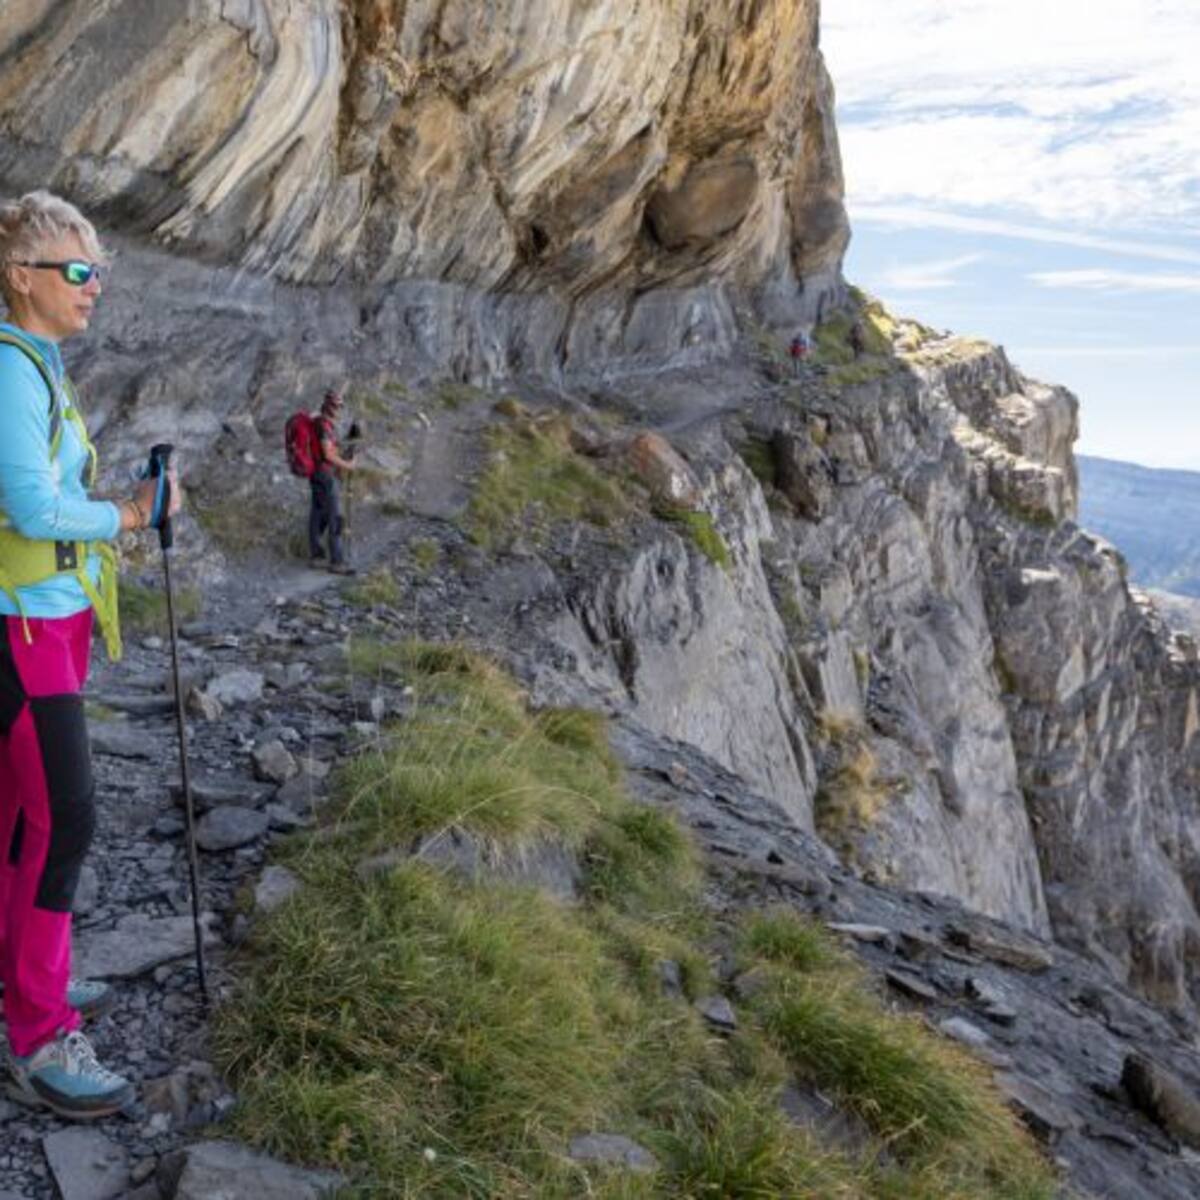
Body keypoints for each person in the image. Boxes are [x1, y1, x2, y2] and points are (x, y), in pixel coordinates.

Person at [0, 190, 180, 1119]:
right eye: (77, 271)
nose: (93, 286)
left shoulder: (38, 365)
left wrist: (118, 500)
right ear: (20, 276)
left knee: (24, 821)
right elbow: (33, 512)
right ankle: (35, 1037)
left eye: (98, 271)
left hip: (48, 623)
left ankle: (30, 993)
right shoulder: (10, 373)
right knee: (61, 820)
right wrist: (132, 514)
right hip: (24, 627)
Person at [309, 389, 357, 576]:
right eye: (335, 405)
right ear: (327, 404)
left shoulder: (321, 423)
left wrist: (345, 448)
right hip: (326, 475)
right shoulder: (323, 425)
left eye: (340, 406)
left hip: (317, 474)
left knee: (319, 514)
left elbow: (329, 450)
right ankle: (337, 561)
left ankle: (317, 556)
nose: (338, 409)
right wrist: (348, 464)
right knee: (336, 516)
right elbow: (328, 454)